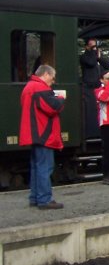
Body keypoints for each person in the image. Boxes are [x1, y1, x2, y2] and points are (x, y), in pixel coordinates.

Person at [19, 65, 65, 209]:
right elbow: (53, 107)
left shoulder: (28, 87)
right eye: (52, 76)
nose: (53, 80)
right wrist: (61, 99)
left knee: (36, 167)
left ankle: (35, 198)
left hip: (33, 133)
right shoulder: (40, 88)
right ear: (46, 74)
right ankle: (45, 199)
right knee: (45, 167)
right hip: (43, 133)